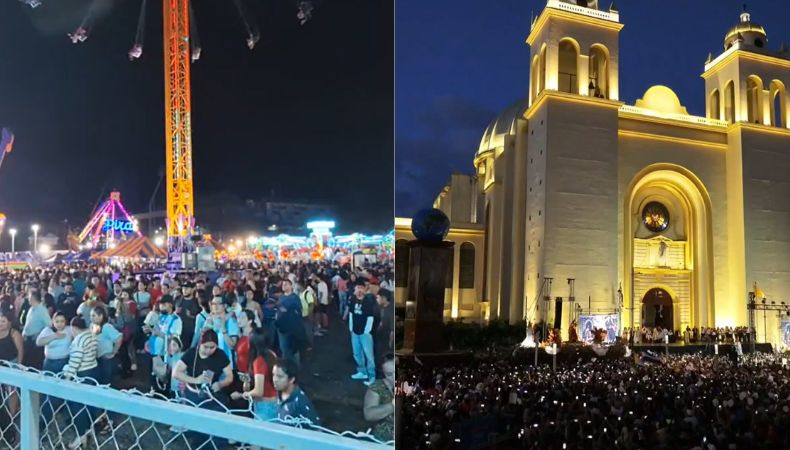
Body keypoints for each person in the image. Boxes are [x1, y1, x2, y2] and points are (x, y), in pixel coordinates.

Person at [172, 330, 233, 448]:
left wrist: (220, 384)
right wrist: (196, 380)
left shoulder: (220, 354)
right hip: (194, 395)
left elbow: (230, 376)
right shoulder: (191, 354)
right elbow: (176, 373)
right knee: (198, 431)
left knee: (218, 429)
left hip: (213, 396)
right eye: (206, 347)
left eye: (212, 347)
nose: (209, 350)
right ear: (200, 344)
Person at [64, 316, 100, 449]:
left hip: (82, 374)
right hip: (94, 370)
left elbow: (75, 361)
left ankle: (80, 436)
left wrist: (68, 376)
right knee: (90, 403)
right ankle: (89, 429)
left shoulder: (78, 340)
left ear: (74, 328)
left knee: (78, 406)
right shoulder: (91, 335)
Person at [272, 358, 320, 425]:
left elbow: (315, 428)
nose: (275, 380)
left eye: (280, 377)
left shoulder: (301, 402)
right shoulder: (279, 393)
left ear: (292, 379)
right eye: (273, 375)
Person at [349, 282, 377, 386]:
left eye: (361, 289)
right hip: (355, 332)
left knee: (369, 355)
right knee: (357, 353)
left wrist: (366, 331)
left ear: (365, 290)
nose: (359, 291)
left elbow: (370, 318)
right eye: (357, 289)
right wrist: (351, 328)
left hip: (365, 334)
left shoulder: (368, 302)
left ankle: (372, 376)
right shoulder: (353, 301)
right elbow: (351, 314)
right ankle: (362, 372)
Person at [363, 354, 395, 442]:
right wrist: (392, 405)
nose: (394, 377)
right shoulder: (377, 387)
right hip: (383, 441)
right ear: (384, 374)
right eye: (389, 374)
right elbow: (368, 415)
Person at [92, 305, 121, 386]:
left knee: (106, 382)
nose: (91, 317)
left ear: (101, 316)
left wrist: (114, 352)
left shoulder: (106, 327)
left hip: (106, 359)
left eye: (94, 315)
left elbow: (119, 337)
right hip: (97, 358)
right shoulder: (93, 326)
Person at [22, 291, 50, 369]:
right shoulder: (31, 309)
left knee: (34, 364)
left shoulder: (42, 310)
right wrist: (24, 332)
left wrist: (39, 334)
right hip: (27, 340)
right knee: (27, 362)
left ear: (33, 298)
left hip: (35, 341)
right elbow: (28, 321)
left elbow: (49, 325)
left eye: (29, 296)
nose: (28, 298)